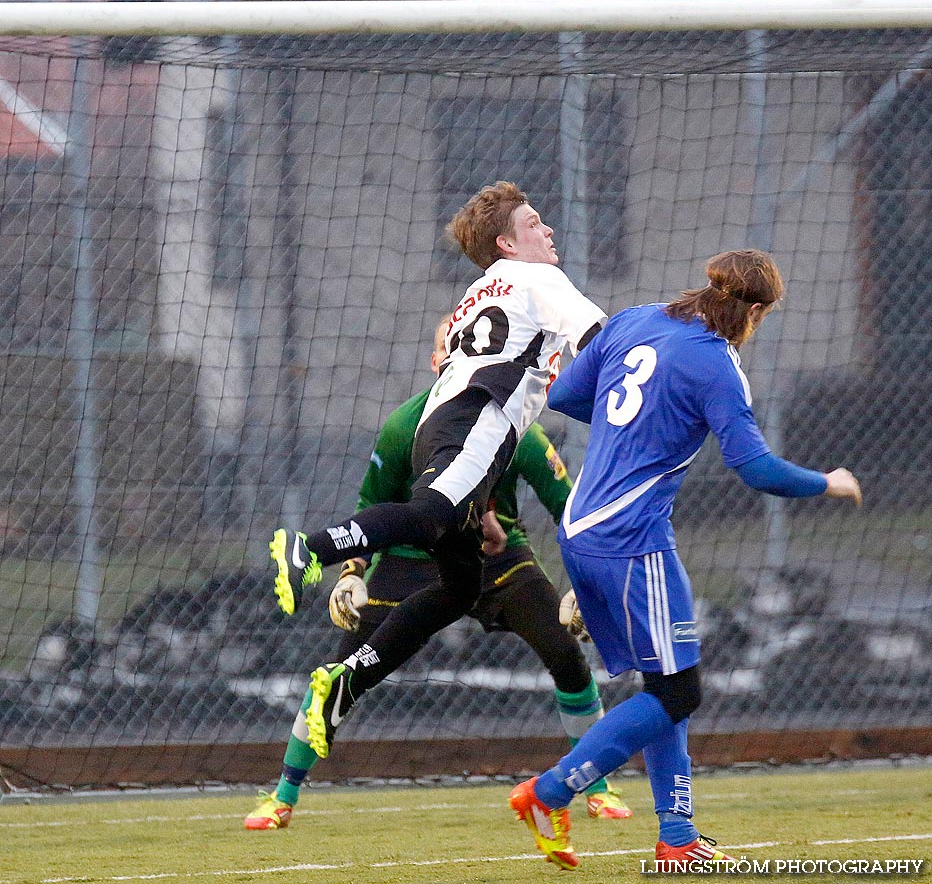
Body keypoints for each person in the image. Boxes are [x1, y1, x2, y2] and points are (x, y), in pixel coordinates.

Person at [508, 249, 862, 872]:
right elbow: (756, 469)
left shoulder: (634, 319)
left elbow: (562, 394)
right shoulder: (718, 365)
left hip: (580, 529)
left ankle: (677, 836)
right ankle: (551, 792)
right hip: (631, 540)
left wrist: (635, 421)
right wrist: (827, 482)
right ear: (754, 310)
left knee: (665, 682)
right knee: (680, 690)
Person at [245, 315, 632, 829]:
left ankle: (596, 786)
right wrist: (351, 573)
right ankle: (283, 796)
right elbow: (373, 504)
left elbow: (570, 509)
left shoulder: (521, 429)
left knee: (566, 653)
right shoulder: (406, 426)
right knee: (343, 674)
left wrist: (586, 583)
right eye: (452, 352)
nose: (462, 360)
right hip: (409, 564)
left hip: (496, 561)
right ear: (437, 363)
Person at [267, 180, 607, 764]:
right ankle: (308, 549)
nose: (547, 230)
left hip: (446, 421)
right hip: (476, 419)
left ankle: (346, 679)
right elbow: (600, 339)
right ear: (506, 242)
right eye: (533, 224)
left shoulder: (479, 290)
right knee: (427, 517)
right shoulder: (538, 279)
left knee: (458, 587)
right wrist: (645, 382)